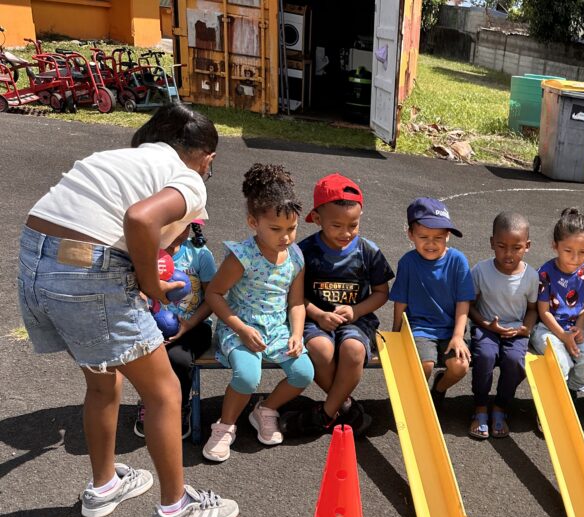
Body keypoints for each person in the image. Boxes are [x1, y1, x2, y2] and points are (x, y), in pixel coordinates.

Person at [17, 103, 238, 517]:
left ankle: (104, 487)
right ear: (206, 157)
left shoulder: (113, 158)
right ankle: (175, 509)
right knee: (164, 391)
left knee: (104, 379)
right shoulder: (188, 177)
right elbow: (141, 218)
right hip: (90, 273)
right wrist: (151, 286)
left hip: (35, 261)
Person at [202, 164, 315, 462]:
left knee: (304, 372)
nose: (286, 237)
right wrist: (240, 328)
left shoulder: (296, 256)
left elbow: (296, 303)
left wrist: (297, 333)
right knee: (247, 377)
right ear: (253, 222)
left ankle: (266, 409)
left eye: (291, 228)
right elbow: (214, 294)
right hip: (241, 328)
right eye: (276, 229)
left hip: (277, 329)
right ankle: (226, 425)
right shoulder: (242, 256)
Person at [286, 173, 393, 436]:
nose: (346, 233)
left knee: (353, 350)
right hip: (315, 319)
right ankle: (346, 407)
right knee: (319, 349)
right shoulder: (304, 252)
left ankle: (325, 413)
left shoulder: (368, 251)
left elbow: (382, 292)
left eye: (353, 225)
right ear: (317, 219)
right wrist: (318, 314)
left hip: (359, 320)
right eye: (336, 225)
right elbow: (294, 296)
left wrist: (357, 310)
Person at [389, 197, 474, 410]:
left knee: (460, 366)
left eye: (438, 237)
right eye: (423, 237)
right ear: (410, 234)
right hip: (420, 328)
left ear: (448, 236)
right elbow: (401, 301)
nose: (431, 243)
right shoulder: (408, 262)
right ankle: (417, 402)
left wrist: (458, 336)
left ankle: (438, 388)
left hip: (450, 329)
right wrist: (396, 333)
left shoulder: (458, 260)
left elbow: (463, 301)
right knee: (424, 365)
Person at [134, 219, 216, 440]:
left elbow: (212, 298)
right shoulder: (146, 254)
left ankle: (180, 404)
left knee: (178, 358)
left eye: (185, 226)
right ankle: (149, 401)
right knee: (144, 357)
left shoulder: (200, 254)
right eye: (169, 225)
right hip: (152, 325)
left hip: (195, 326)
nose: (177, 232)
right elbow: (135, 288)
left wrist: (189, 324)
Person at [468, 212, 538, 439]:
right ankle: (480, 407)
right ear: (491, 243)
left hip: (516, 330)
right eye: (501, 246)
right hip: (486, 327)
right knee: (485, 355)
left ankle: (500, 406)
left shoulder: (531, 276)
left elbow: (532, 309)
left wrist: (525, 329)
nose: (508, 254)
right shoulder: (480, 271)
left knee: (515, 360)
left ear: (527, 246)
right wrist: (486, 324)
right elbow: (469, 306)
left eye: (516, 248)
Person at [529, 208, 584, 395]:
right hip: (546, 328)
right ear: (555, 246)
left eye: (583, 252)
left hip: (572, 328)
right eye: (568, 251)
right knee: (562, 364)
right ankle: (558, 395)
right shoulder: (545, 273)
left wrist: (579, 329)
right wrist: (563, 336)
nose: (575, 258)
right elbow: (543, 311)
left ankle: (568, 391)